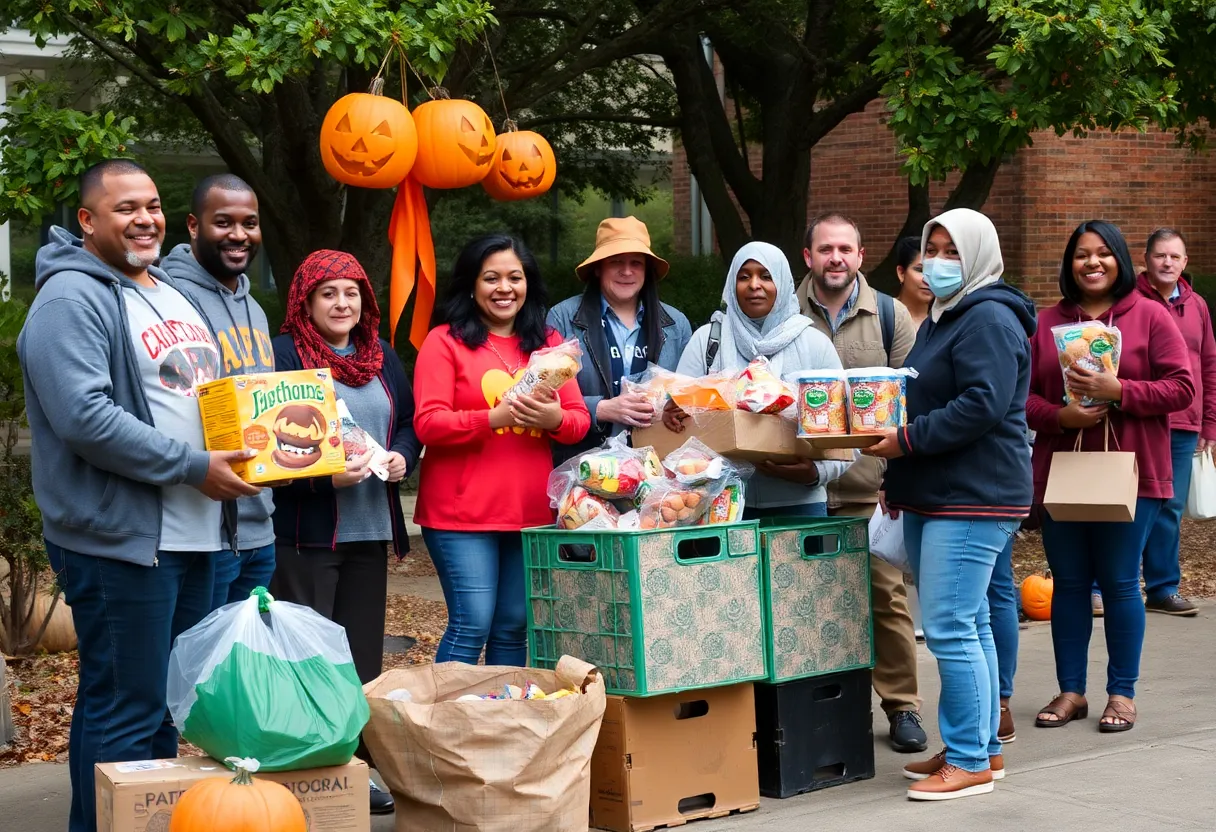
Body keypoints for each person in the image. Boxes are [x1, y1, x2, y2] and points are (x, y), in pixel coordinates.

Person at [17, 159, 259, 832]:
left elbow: (204, 396)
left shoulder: (169, 290)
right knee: (123, 705)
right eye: (125, 208)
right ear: (88, 222)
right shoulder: (71, 299)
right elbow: (85, 419)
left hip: (201, 535)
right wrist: (192, 467)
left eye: (152, 204)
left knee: (165, 707)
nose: (145, 218)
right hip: (125, 542)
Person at [869, 208, 1036, 800]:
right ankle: (981, 747)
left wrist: (906, 440)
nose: (937, 261)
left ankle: (967, 761)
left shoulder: (988, 317)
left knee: (949, 627)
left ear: (979, 255)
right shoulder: (949, 314)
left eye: (951, 250)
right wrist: (898, 469)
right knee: (971, 626)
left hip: (973, 495)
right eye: (931, 248)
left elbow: (982, 404)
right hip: (936, 490)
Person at [270, 249, 422, 815]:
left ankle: (351, 772)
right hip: (306, 532)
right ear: (305, 302)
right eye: (328, 293)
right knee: (306, 658)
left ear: (366, 301)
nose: (342, 303)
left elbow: (406, 420)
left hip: (368, 530)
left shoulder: (379, 354)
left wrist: (405, 455)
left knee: (359, 661)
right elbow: (273, 444)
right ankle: (299, 773)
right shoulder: (283, 355)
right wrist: (321, 481)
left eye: (352, 292)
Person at [1027, 221, 1194, 735]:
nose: (1092, 263)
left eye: (1103, 254)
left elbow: (1182, 388)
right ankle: (1072, 690)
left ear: (1122, 260)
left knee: (1122, 583)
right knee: (1071, 585)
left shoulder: (1150, 316)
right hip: (1065, 472)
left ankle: (1122, 693)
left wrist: (1119, 389)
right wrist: (1062, 417)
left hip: (1133, 471)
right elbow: (1026, 402)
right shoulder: (1047, 322)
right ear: (1069, 263)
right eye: (1081, 255)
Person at [414, 235, 590, 666]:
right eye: (490, 278)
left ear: (528, 282)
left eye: (515, 277)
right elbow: (427, 423)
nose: (504, 288)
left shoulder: (549, 343)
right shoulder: (445, 342)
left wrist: (552, 421)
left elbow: (579, 420)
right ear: (471, 285)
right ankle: (444, 727)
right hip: (460, 514)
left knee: (513, 624)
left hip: (529, 511)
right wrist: (495, 418)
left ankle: (497, 721)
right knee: (471, 623)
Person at [795, 213, 927, 754]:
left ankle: (903, 707)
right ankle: (816, 711)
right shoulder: (783, 309)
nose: (835, 258)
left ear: (860, 254)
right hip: (796, 490)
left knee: (885, 602)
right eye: (825, 249)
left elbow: (911, 404)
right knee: (801, 605)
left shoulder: (891, 316)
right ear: (807, 257)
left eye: (845, 249)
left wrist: (894, 483)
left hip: (864, 491)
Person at [669, 241, 851, 518]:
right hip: (718, 508)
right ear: (732, 284)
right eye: (744, 276)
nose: (755, 285)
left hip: (800, 504)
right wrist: (675, 409)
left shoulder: (814, 343)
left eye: (766, 276)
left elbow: (849, 429)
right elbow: (675, 426)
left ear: (782, 282)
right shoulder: (707, 341)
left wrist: (815, 473)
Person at [164, 173, 277, 610]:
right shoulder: (171, 297)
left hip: (258, 522)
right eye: (223, 222)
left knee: (242, 662)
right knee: (198, 661)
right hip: (205, 524)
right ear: (194, 226)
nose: (239, 235)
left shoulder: (254, 308)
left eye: (249, 223)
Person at [547, 216, 692, 462]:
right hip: (583, 467)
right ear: (598, 267)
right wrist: (601, 408)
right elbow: (545, 396)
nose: (627, 271)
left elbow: (691, 398)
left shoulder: (676, 324)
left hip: (656, 470)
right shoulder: (563, 318)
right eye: (616, 262)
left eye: (636, 263)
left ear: (647, 270)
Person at [1133, 228, 1213, 616]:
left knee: (1170, 507)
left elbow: (1209, 367)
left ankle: (1163, 589)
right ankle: (1113, 586)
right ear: (1146, 260)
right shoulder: (1128, 301)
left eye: (1175, 257)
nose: (1167, 263)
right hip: (1138, 419)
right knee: (1126, 502)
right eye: (1160, 255)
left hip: (1184, 425)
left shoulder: (1196, 306)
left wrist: (1209, 425)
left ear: (1184, 262)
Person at [894, 235, 932, 329]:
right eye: (920, 270)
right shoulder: (882, 315)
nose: (928, 279)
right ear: (901, 273)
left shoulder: (944, 321)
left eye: (934, 271)